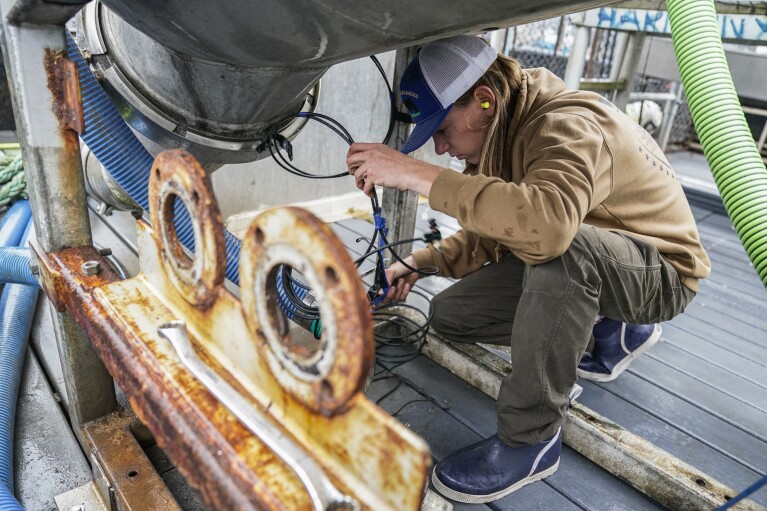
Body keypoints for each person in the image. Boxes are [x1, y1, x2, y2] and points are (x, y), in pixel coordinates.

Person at [346, 35, 710, 504]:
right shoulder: (504, 128)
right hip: (594, 256)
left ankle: (531, 440)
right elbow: (506, 223)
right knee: (452, 314)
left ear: (483, 100)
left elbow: (547, 227)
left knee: (567, 250)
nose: (439, 148)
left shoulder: (567, 124)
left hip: (661, 272)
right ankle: (605, 325)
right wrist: (421, 261)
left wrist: (416, 175)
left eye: (442, 129)